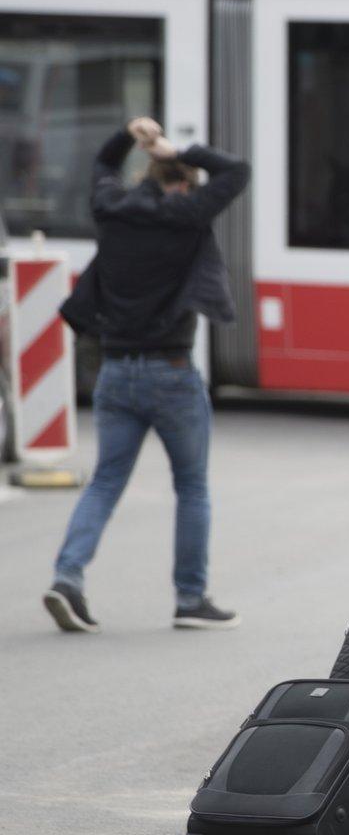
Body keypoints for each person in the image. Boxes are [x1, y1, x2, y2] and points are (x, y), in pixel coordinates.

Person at [41, 117, 248, 633]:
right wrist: (177, 150)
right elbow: (236, 171)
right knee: (192, 487)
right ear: (183, 184)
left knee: (105, 481)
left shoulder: (112, 209)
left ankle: (67, 577)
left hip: (115, 370)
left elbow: (103, 165)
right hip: (171, 371)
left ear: (147, 177)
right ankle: (191, 599)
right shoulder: (188, 213)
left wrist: (129, 137)